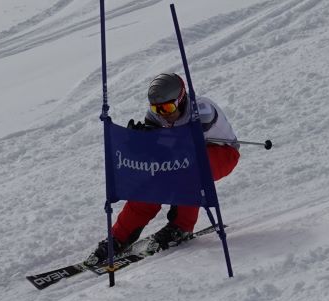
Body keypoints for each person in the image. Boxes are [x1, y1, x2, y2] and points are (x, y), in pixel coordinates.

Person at [90, 72, 238, 263]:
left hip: (221, 153)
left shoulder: (202, 110)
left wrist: (158, 140)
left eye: (168, 107)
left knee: (186, 172)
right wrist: (139, 141)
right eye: (157, 108)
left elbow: (186, 146)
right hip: (183, 157)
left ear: (181, 98)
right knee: (151, 180)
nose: (163, 114)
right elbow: (157, 154)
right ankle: (119, 237)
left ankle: (181, 227)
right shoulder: (155, 115)